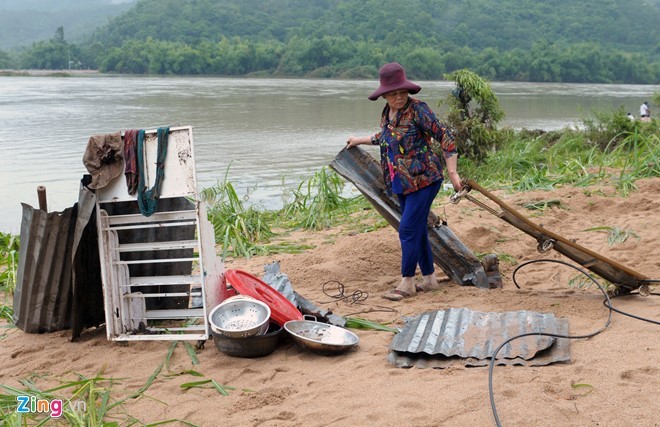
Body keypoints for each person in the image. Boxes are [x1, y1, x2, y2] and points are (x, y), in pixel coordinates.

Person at [345, 62, 462, 301]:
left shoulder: (419, 110)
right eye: (393, 93)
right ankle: (429, 280)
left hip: (425, 179)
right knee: (416, 230)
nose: (398, 97)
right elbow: (385, 137)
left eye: (402, 92)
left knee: (407, 229)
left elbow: (446, 137)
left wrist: (453, 173)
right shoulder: (388, 114)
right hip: (399, 181)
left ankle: (407, 282)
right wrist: (358, 139)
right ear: (384, 95)